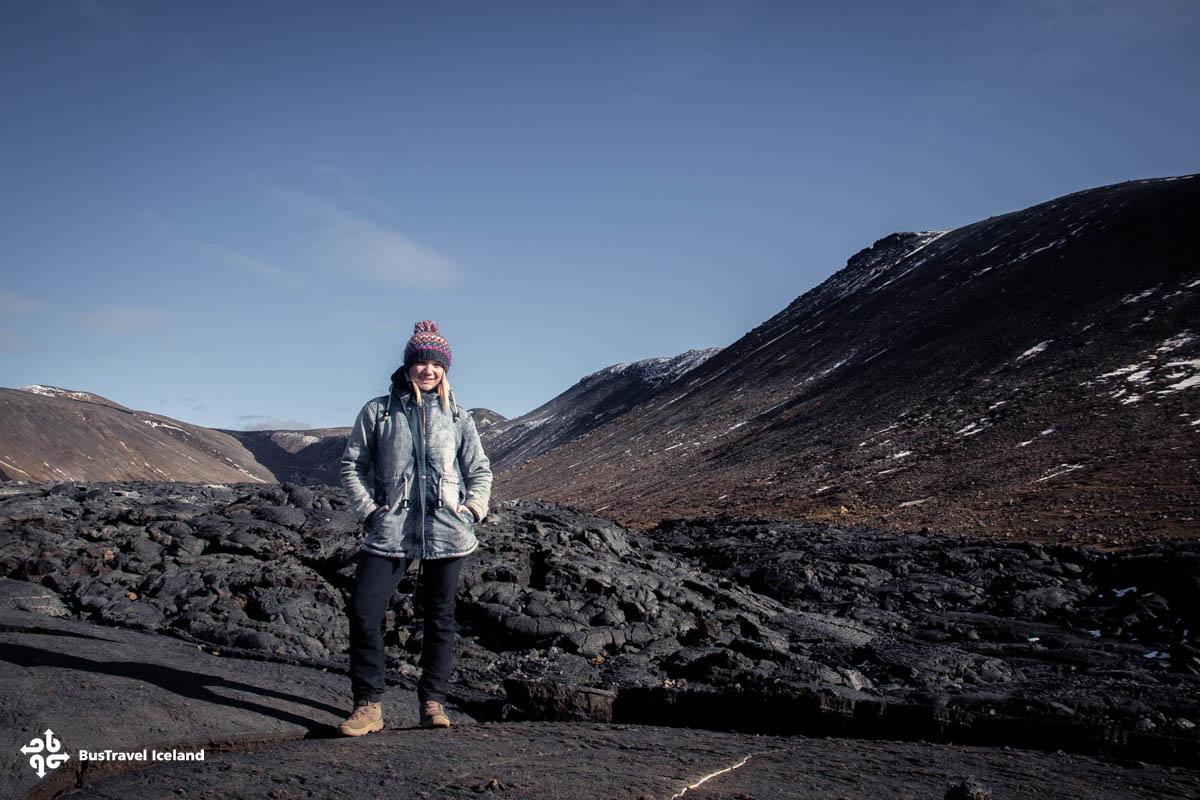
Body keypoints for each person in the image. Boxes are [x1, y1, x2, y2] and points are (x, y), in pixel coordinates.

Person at [337, 320, 492, 735]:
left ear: (445, 369)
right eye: (421, 362)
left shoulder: (458, 416)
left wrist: (473, 509)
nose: (428, 370)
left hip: (447, 531)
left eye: (435, 363)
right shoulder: (378, 412)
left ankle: (433, 703)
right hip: (390, 530)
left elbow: (479, 470)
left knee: (440, 618)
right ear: (407, 366)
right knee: (365, 610)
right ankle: (368, 705)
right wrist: (370, 512)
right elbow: (353, 465)